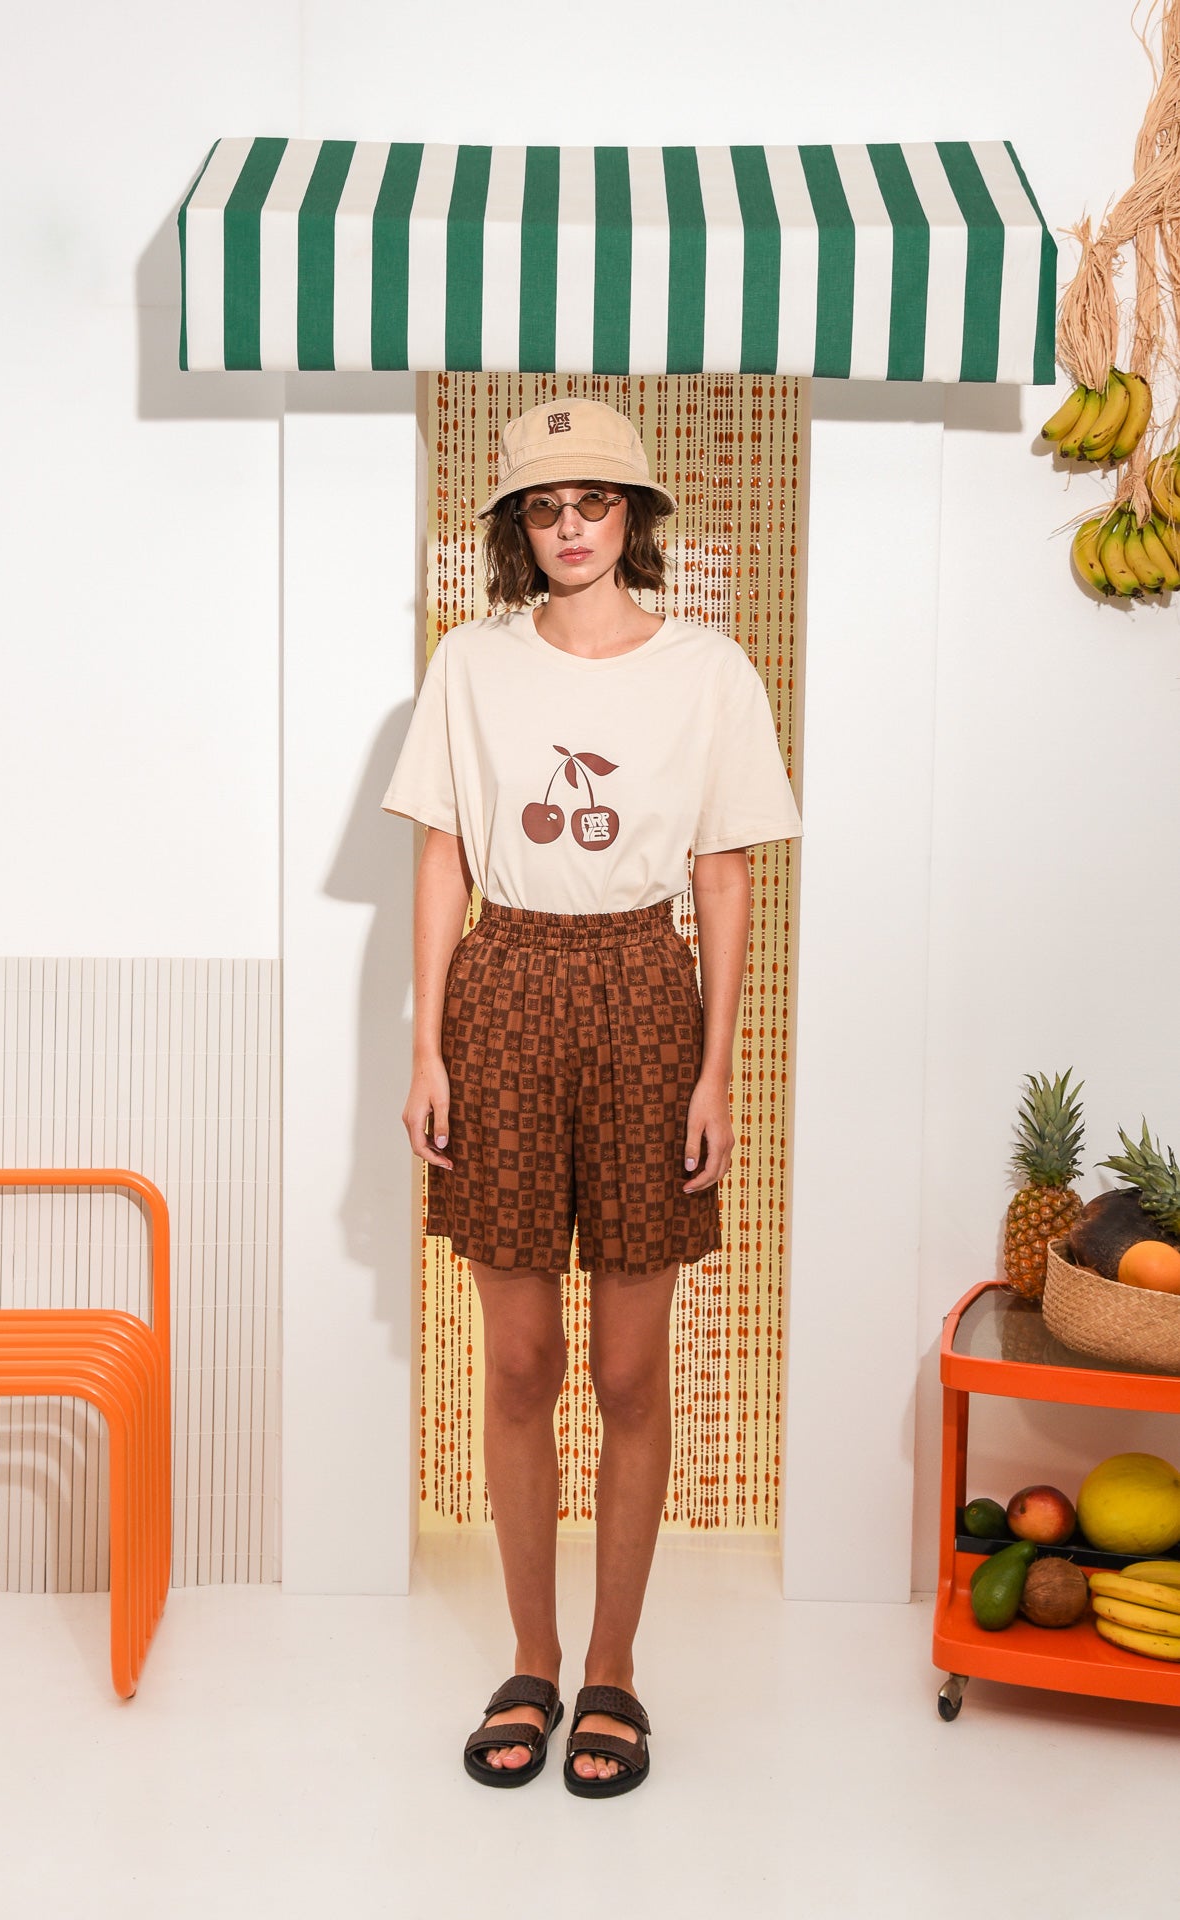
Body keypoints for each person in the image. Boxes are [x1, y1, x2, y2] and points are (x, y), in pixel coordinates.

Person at [380, 395, 802, 1796]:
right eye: (544, 507)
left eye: (595, 502)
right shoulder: (470, 664)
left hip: (643, 989)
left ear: (634, 517)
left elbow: (724, 875)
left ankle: (612, 1667)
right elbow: (442, 854)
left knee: (627, 1368)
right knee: (516, 1360)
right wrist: (429, 1048)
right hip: (501, 984)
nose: (570, 528)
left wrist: (714, 1069)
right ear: (517, 527)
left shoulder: (707, 670)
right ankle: (532, 1656)